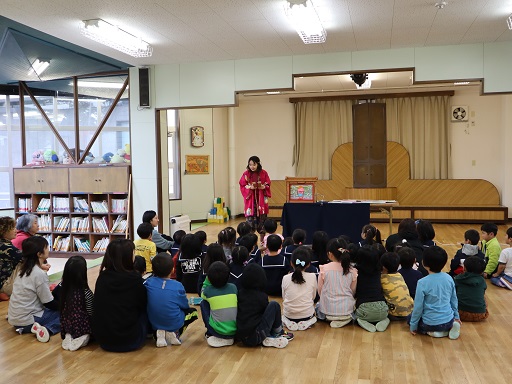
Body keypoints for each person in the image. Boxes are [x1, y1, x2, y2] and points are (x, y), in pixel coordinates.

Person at [92, 239, 148, 352]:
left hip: (104, 340)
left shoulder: (102, 278)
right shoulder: (134, 279)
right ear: (127, 257)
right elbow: (143, 304)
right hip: (131, 340)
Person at [8, 236, 59, 343]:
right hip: (28, 320)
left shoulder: (23, 270)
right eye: (46, 247)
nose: (48, 249)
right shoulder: (39, 274)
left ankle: (32, 327)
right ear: (39, 254)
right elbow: (48, 303)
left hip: (15, 318)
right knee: (68, 314)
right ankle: (48, 329)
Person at [145, 253, 198, 348]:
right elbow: (185, 305)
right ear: (172, 269)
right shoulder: (178, 285)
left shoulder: (148, 282)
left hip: (153, 322)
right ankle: (175, 332)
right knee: (193, 313)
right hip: (173, 322)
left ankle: (160, 333)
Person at [408, 246, 461, 339]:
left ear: (424, 263)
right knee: (445, 317)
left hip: (430, 323)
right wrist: (456, 317)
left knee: (409, 318)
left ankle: (434, 332)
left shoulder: (422, 282)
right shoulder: (449, 278)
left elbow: (418, 307)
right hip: (448, 320)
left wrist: (413, 326)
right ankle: (450, 327)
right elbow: (454, 300)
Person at [237, 263, 293, 349]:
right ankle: (277, 332)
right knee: (274, 305)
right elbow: (267, 315)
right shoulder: (261, 296)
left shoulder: (239, 293)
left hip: (241, 337)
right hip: (257, 334)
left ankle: (268, 337)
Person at [316, 238, 357, 328]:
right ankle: (344, 319)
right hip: (346, 310)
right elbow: (353, 291)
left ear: (330, 254)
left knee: (317, 306)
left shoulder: (324, 269)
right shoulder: (352, 270)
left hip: (327, 310)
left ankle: (332, 318)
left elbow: (320, 290)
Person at [59, 255, 94, 351]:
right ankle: (83, 338)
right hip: (83, 325)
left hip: (68, 324)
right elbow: (91, 312)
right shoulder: (86, 292)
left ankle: (68, 336)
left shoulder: (63, 290)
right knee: (88, 333)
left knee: (70, 330)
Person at [200, 261, 237, 347]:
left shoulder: (207, 291)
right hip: (236, 330)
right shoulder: (233, 288)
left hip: (217, 332)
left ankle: (211, 333)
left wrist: (207, 280)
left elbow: (202, 292)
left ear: (209, 278)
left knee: (203, 303)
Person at [354, 246, 390, 332]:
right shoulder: (378, 272)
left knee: (355, 315)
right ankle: (384, 319)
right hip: (382, 307)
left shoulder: (356, 272)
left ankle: (362, 320)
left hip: (364, 308)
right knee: (384, 315)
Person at [281, 247, 318, 331]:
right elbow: (313, 296)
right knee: (315, 315)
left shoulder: (285, 278)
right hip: (307, 315)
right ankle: (307, 322)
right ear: (308, 264)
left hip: (289, 315)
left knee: (283, 316)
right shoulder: (312, 276)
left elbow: (284, 297)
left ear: (291, 263)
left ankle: (287, 322)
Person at [239, 156, 271, 233]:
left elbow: (268, 183)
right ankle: (251, 240)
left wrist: (264, 187)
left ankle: (262, 240)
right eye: (250, 165)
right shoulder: (246, 174)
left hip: (261, 200)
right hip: (251, 200)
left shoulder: (264, 173)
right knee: (250, 223)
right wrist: (249, 187)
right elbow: (242, 185)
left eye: (254, 164)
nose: (252, 167)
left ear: (258, 164)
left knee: (262, 222)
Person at [380, 252, 413, 320]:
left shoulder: (382, 278)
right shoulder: (399, 275)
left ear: (383, 267)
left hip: (393, 314)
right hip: (409, 311)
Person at [454, 256, 489, 321]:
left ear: (464, 268)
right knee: (484, 297)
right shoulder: (482, 281)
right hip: (480, 315)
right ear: (482, 271)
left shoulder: (458, 279)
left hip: (459, 313)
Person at [0, 216, 23, 301]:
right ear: (4, 230)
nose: (16, 231)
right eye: (13, 228)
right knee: (30, 264)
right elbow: (28, 258)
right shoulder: (7, 248)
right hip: (4, 284)